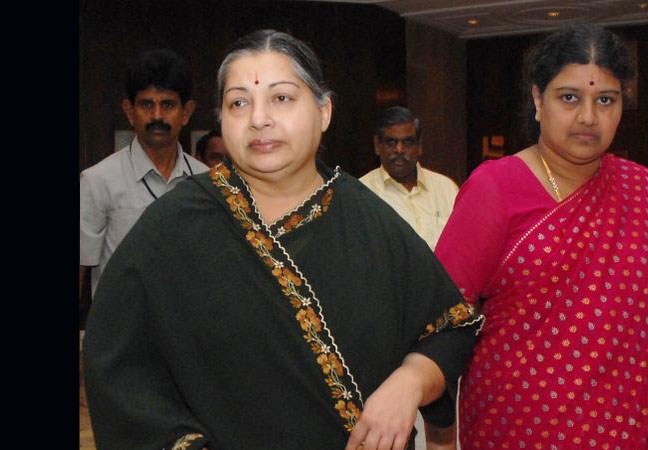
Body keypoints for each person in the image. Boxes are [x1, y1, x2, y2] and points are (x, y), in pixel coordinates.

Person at [83, 29, 483, 450]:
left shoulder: (368, 220)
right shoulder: (173, 227)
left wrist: (409, 382)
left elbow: (451, 326)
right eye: (239, 103)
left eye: (281, 98)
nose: (259, 119)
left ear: (324, 111)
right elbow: (118, 371)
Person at [431, 24, 648, 450]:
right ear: (537, 100)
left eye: (605, 100)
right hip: (514, 434)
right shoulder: (494, 188)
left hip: (622, 436)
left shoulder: (643, 191)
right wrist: (441, 440)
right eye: (569, 98)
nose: (588, 117)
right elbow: (443, 320)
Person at [79, 49, 208, 299]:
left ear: (186, 113)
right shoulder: (98, 180)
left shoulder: (207, 182)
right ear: (130, 112)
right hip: (121, 323)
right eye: (147, 104)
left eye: (167, 105)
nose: (157, 116)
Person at [359, 106, 459, 250]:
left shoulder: (447, 189)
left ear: (419, 146)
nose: (399, 150)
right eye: (391, 142)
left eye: (407, 142)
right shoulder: (361, 193)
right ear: (377, 145)